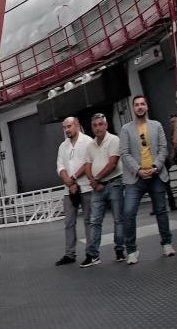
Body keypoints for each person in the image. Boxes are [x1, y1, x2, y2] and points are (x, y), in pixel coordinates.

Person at [117, 95, 174, 264]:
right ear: (133, 108)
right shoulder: (126, 129)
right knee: (128, 213)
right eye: (137, 105)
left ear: (147, 107)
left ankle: (167, 243)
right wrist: (139, 170)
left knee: (161, 211)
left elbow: (164, 148)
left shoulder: (157, 126)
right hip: (136, 178)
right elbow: (124, 152)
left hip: (156, 175)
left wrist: (156, 166)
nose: (140, 107)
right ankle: (132, 250)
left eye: (142, 104)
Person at [84, 113, 125, 266]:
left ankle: (120, 250)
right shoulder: (90, 145)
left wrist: (97, 179)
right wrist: (94, 183)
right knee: (94, 221)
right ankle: (92, 254)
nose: (98, 128)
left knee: (118, 219)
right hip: (97, 188)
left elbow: (112, 164)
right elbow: (87, 166)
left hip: (114, 183)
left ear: (106, 125)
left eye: (101, 124)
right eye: (95, 125)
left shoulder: (114, 139)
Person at [55, 117, 94, 266]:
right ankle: (69, 254)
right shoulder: (62, 146)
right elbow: (59, 166)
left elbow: (88, 163)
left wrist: (74, 177)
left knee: (88, 221)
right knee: (69, 223)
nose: (67, 130)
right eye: (65, 127)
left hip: (86, 187)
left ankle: (91, 253)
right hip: (69, 190)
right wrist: (68, 181)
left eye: (69, 126)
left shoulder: (88, 141)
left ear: (77, 125)